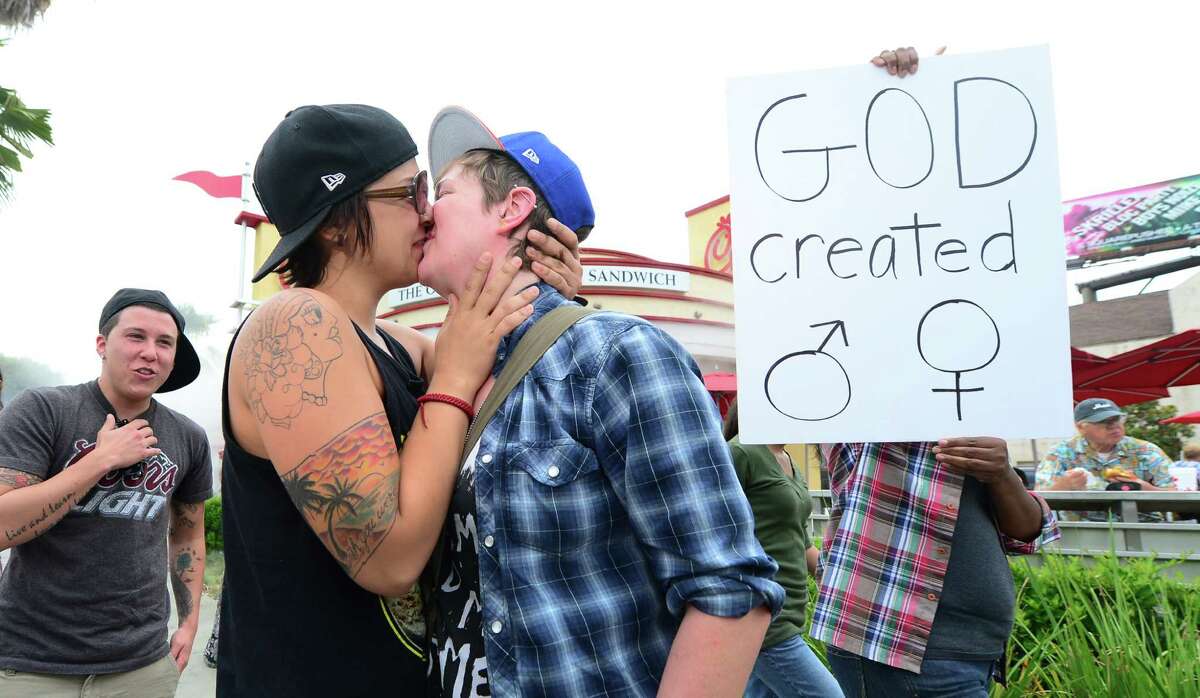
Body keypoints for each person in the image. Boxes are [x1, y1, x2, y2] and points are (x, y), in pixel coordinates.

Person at [217, 104, 584, 697]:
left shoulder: (396, 343)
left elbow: (516, 375)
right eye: (411, 190)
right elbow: (388, 560)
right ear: (337, 223)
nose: (428, 209)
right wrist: (457, 374)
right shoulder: (293, 325)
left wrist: (542, 288)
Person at [418, 107, 784, 698]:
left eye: (444, 191)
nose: (425, 210)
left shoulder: (615, 356)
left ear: (511, 208)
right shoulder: (444, 375)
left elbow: (730, 591)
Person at [809, 47, 1061, 698]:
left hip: (972, 643)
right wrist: (884, 98)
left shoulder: (982, 352)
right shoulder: (853, 359)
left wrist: (1000, 472)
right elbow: (859, 215)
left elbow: (1032, 531)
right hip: (883, 635)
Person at [0, 288, 212, 697]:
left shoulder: (188, 437)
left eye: (164, 342)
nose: (150, 352)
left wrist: (189, 622)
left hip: (142, 668)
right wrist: (99, 461)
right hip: (32, 665)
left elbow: (187, 534)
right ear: (102, 344)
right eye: (136, 336)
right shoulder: (43, 411)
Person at [723, 399, 843, 698]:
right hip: (763, 617)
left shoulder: (786, 456)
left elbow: (799, 540)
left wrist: (839, 580)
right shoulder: (741, 452)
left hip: (790, 611)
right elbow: (713, 526)